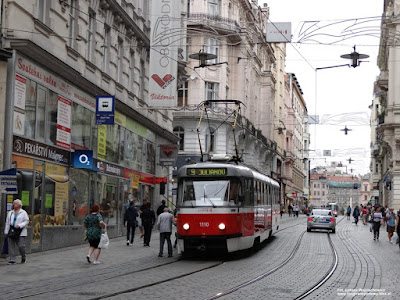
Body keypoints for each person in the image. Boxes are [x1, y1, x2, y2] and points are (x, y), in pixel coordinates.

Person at [4, 199, 29, 264]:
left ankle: (23, 256)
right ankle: (12, 259)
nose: (14, 205)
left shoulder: (23, 212)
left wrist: (20, 225)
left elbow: (26, 221)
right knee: (11, 245)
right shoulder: (10, 212)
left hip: (20, 231)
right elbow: (7, 222)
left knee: (21, 245)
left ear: (19, 205)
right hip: (12, 230)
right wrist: (6, 232)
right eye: (14, 203)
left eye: (16, 203)